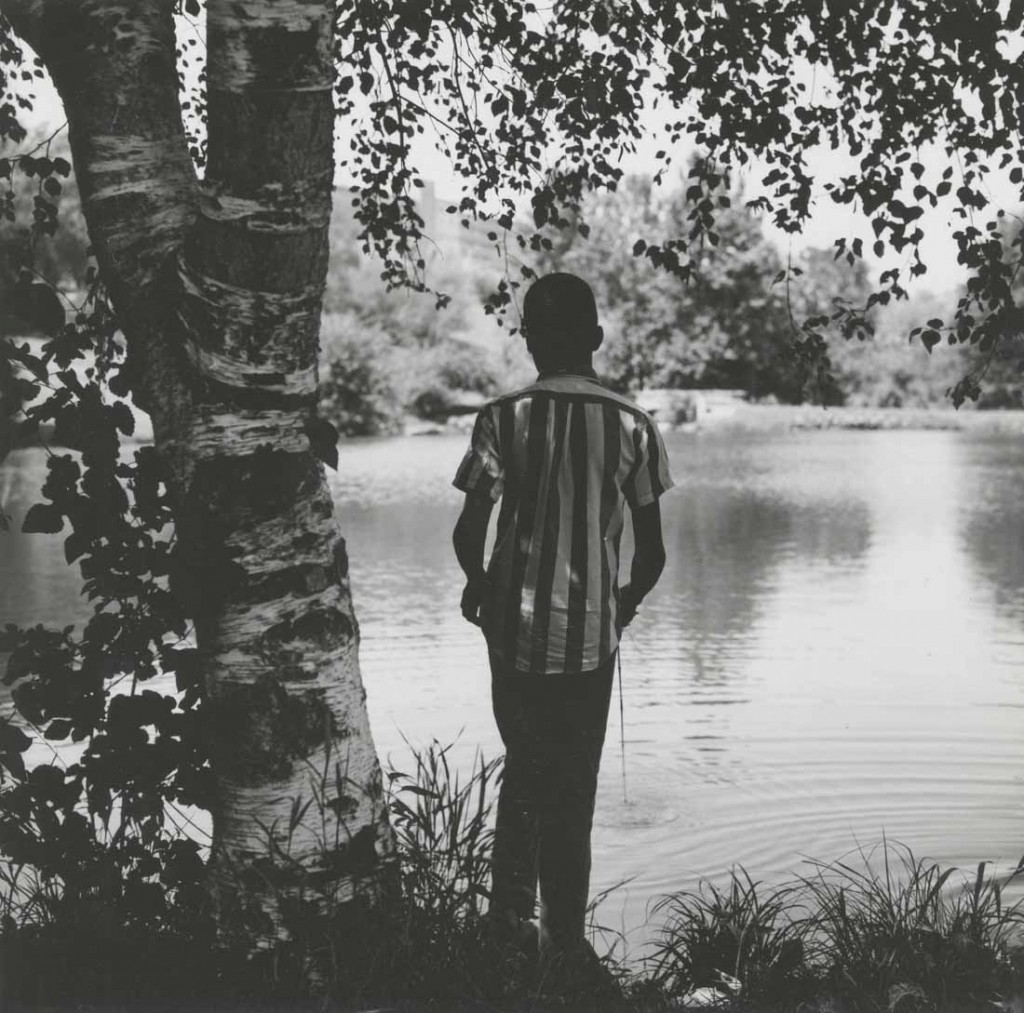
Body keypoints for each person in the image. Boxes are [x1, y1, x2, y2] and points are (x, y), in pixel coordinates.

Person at [451, 272, 673, 990]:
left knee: (523, 769)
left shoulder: (501, 416)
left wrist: (479, 587)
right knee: (573, 787)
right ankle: (566, 947)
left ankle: (506, 927)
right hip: (588, 640)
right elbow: (654, 554)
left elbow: (467, 532)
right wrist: (622, 603)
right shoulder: (634, 424)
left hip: (512, 631)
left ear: (527, 341)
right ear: (597, 339)